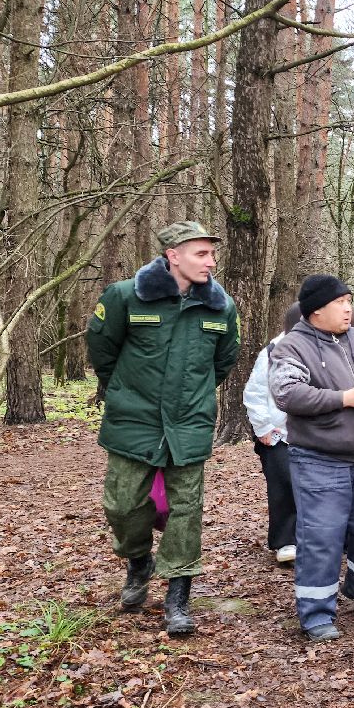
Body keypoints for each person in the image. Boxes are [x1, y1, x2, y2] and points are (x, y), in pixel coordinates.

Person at [86, 220, 239, 636]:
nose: (210, 261)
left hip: (189, 424)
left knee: (186, 511)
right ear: (173, 256)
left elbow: (222, 362)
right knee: (122, 507)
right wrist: (126, 390)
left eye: (212, 253)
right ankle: (139, 561)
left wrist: (191, 396)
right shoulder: (124, 297)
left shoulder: (220, 307)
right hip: (134, 421)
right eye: (201, 253)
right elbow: (102, 350)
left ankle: (179, 595)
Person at [269, 274, 354, 643]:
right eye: (340, 302)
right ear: (316, 310)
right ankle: (315, 612)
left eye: (349, 300)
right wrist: (348, 398)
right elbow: (288, 394)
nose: (348, 308)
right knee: (322, 536)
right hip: (319, 460)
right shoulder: (291, 347)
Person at [243, 302, 302, 565]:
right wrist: (263, 427)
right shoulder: (271, 351)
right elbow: (254, 393)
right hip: (278, 434)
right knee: (283, 485)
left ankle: (313, 538)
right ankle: (285, 541)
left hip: (311, 433)